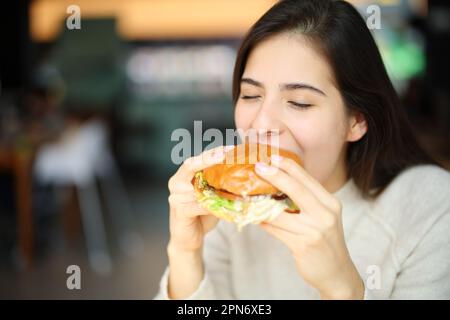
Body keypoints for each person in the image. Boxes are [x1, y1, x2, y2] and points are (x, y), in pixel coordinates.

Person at [155, 0, 450, 299]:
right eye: (250, 94)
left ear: (357, 121)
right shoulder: (231, 205)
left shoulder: (430, 206)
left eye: (300, 102)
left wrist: (341, 286)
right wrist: (184, 252)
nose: (261, 124)